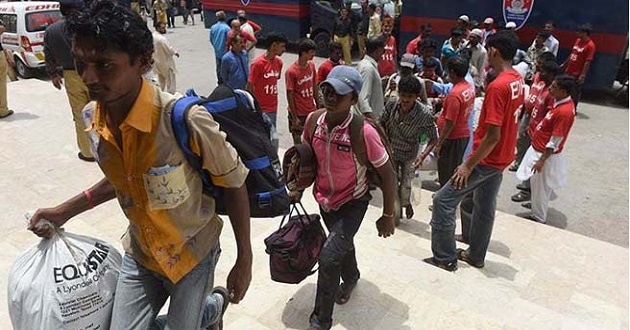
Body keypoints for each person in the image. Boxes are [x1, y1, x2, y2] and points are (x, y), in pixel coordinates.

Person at [27, 2, 252, 329]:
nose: (88, 77)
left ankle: (212, 306)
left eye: (104, 65)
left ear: (143, 63)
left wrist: (244, 259)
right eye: (80, 63)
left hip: (193, 254)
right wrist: (64, 211)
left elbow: (234, 183)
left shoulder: (185, 120)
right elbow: (124, 179)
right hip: (142, 254)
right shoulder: (94, 119)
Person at [302, 65, 396, 330]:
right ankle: (352, 276)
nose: (330, 98)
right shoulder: (313, 122)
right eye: (327, 91)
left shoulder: (364, 132)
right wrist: (296, 186)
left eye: (339, 94)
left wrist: (388, 215)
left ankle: (321, 320)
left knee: (329, 257)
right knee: (340, 243)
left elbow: (388, 175)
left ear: (353, 99)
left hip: (353, 201)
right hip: (324, 199)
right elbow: (306, 157)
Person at [425, 31, 524, 271]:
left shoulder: (498, 86)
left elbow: (492, 135)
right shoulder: (517, 79)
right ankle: (476, 255)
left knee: (443, 201)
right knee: (484, 206)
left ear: (494, 51)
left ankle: (444, 256)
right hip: (501, 157)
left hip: (486, 159)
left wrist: (468, 164)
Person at [516, 75, 576, 223]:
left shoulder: (564, 112)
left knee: (541, 186)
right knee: (537, 185)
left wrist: (542, 160)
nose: (550, 88)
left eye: (554, 87)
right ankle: (537, 205)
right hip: (538, 149)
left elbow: (555, 141)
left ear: (562, 91)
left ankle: (538, 216)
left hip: (543, 154)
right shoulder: (559, 104)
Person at [381, 76, 437, 220]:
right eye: (403, 95)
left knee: (406, 185)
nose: (405, 100)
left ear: (416, 97)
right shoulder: (392, 104)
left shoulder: (424, 114)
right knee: (390, 183)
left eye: (410, 97)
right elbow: (381, 123)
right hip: (391, 150)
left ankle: (407, 203)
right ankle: (393, 210)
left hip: (410, 154)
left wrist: (422, 156)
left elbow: (433, 139)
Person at [43, 0, 92, 161]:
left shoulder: (51, 30)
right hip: (92, 71)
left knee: (80, 115)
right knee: (101, 111)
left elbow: (48, 54)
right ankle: (107, 151)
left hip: (70, 75)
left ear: (62, 10)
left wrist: (53, 75)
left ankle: (87, 152)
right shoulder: (86, 26)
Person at [510, 61, 559, 202]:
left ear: (550, 74)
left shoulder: (551, 92)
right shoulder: (543, 86)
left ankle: (528, 191)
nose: (539, 73)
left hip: (539, 134)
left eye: (542, 71)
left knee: (533, 163)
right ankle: (527, 186)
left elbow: (549, 116)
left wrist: (538, 130)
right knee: (527, 158)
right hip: (532, 128)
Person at [433, 56, 475, 189]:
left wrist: (439, 143)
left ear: (452, 72)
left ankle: (444, 200)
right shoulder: (468, 87)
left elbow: (450, 123)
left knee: (446, 171)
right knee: (454, 167)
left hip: (452, 138)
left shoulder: (454, 95)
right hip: (462, 135)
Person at [247, 32, 287, 152]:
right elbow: (249, 86)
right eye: (282, 46)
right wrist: (254, 107)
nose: (284, 50)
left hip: (273, 107)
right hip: (261, 109)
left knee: (270, 135)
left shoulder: (278, 63)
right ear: (274, 45)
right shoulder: (258, 64)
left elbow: (275, 80)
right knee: (270, 138)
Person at [285, 39, 319, 145]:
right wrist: (295, 118)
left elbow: (314, 87)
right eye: (311, 52)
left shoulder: (312, 66)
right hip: (298, 113)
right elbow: (290, 94)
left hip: (311, 111)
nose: (313, 55)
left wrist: (318, 106)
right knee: (299, 145)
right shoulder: (291, 71)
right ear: (304, 53)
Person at [561, 23, 596, 109]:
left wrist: (582, 75)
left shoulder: (590, 45)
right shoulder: (578, 41)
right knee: (565, 89)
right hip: (569, 70)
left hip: (576, 73)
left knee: (574, 92)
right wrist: (564, 64)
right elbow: (572, 53)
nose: (577, 33)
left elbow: (587, 62)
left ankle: (573, 108)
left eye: (580, 32)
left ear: (585, 33)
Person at [355, 36, 385, 119]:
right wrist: (375, 124)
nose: (383, 55)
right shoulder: (368, 68)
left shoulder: (364, 64)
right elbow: (363, 100)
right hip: (368, 122)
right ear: (378, 50)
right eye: (383, 51)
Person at [152, 22, 179, 93]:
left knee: (161, 81)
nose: (165, 29)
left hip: (157, 63)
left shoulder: (152, 36)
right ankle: (171, 97)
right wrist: (175, 52)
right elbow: (169, 50)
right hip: (166, 63)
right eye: (163, 28)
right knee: (170, 81)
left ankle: (159, 95)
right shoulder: (162, 39)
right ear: (158, 28)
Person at [209, 11, 231, 85]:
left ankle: (220, 82)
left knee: (218, 68)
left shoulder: (213, 27)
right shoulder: (227, 28)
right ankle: (225, 83)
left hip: (217, 51)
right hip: (225, 52)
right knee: (226, 69)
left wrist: (216, 46)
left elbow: (211, 39)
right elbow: (229, 40)